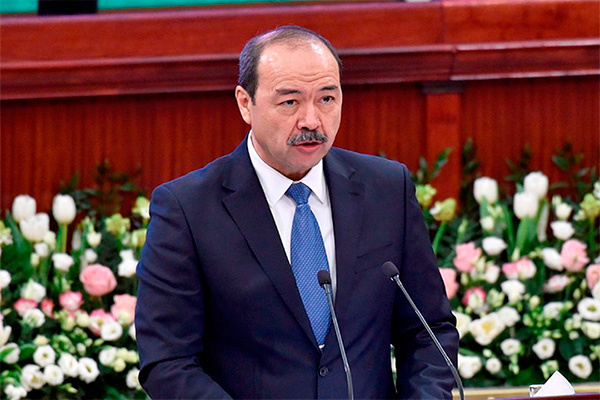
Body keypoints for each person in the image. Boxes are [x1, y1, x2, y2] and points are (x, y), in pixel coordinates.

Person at [135, 25, 459, 400]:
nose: (311, 121)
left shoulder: (386, 189)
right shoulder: (187, 209)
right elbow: (168, 361)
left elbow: (428, 330)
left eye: (327, 99)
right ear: (245, 103)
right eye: (290, 102)